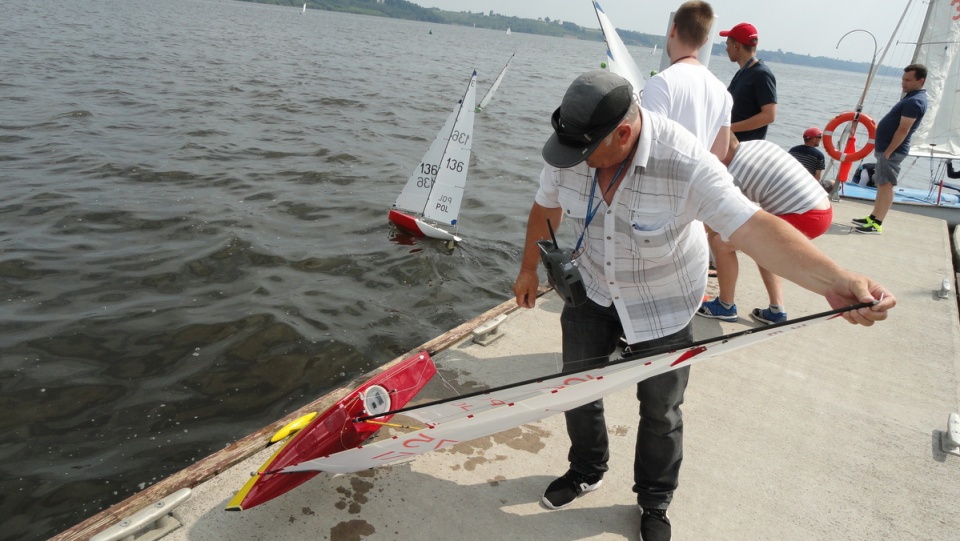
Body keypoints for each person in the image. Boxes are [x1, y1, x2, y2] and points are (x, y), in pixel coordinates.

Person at [512, 70, 895, 541]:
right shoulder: (572, 146)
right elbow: (545, 207)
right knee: (578, 387)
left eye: (587, 155)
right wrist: (529, 269)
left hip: (665, 301)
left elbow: (752, 228)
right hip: (590, 288)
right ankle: (586, 468)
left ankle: (654, 500)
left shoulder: (687, 160)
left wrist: (836, 282)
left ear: (625, 133)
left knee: (662, 409)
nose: (576, 163)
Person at [698, 136, 834, 325]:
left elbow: (716, 219)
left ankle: (725, 306)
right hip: (822, 207)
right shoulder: (758, 144)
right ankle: (776, 310)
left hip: (803, 215)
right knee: (762, 246)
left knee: (720, 241)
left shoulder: (733, 173)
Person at [642, 1, 732, 159]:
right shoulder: (722, 92)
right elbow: (720, 152)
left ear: (673, 29)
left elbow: (648, 145)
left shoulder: (661, 83)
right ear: (705, 41)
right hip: (698, 181)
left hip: (663, 181)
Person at [853, 64, 927, 234]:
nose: (904, 83)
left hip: (892, 151)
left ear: (920, 80)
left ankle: (877, 223)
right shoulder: (910, 97)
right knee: (881, 184)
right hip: (886, 149)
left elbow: (904, 129)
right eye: (903, 79)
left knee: (886, 185)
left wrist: (888, 151)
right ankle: (873, 216)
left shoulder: (915, 101)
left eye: (908, 80)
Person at [721, 22, 777, 141]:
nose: (726, 49)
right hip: (732, 146)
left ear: (736, 45)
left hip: (746, 149)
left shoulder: (762, 74)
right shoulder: (743, 72)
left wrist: (729, 128)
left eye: (728, 44)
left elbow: (769, 116)